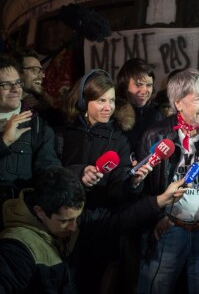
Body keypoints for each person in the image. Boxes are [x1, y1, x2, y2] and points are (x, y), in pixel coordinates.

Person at [0, 166, 189, 293]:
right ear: (40, 212)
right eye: (66, 221)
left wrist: (162, 200)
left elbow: (116, 220)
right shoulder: (16, 249)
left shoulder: (66, 221)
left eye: (76, 217)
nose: (74, 227)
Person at [58, 69, 153, 293]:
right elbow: (49, 172)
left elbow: (118, 191)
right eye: (101, 100)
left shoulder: (119, 139)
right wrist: (79, 173)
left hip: (98, 226)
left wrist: (134, 182)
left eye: (111, 100)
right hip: (61, 222)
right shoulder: (63, 134)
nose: (108, 107)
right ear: (83, 100)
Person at [137, 68, 199, 294]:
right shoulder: (156, 135)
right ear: (178, 103)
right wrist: (157, 218)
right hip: (169, 230)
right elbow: (142, 187)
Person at [0, 54, 61, 229]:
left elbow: (48, 169)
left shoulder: (38, 126)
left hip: (20, 223)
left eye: (18, 83)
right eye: (6, 84)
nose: (15, 89)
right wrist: (4, 142)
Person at [116, 58, 164, 152]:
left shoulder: (157, 115)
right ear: (125, 86)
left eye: (149, 85)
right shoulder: (113, 115)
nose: (144, 91)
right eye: (138, 85)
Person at [13, 48, 65, 129]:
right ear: (18, 73)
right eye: (35, 70)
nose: (42, 76)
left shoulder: (40, 105)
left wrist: (40, 106)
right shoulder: (5, 106)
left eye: (41, 70)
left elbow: (60, 123)